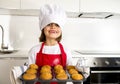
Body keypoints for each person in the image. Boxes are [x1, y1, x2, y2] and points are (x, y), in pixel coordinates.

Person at [28, 4, 90, 84]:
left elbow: (70, 73)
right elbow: (30, 73)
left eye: (57, 25)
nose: (53, 27)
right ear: (43, 28)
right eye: (49, 24)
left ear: (61, 29)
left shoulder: (66, 50)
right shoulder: (34, 50)